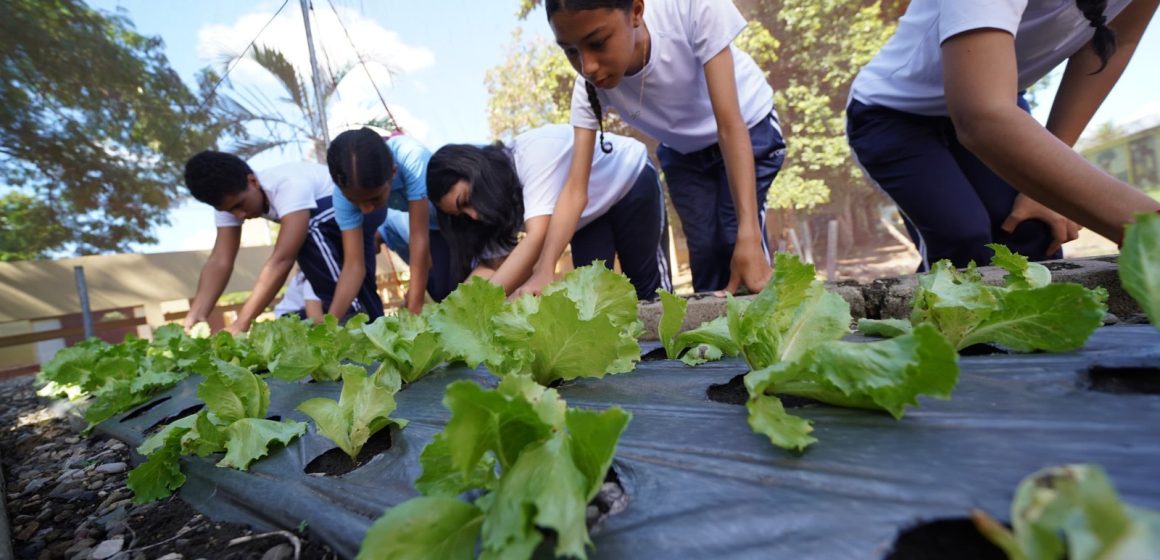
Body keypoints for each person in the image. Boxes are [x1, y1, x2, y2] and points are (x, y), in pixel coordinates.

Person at [847, 0, 1160, 270]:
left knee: (1033, 231)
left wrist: (1044, 190)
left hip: (1000, 101)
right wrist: (1149, 228)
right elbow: (981, 118)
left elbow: (1118, 41)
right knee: (962, 240)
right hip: (894, 113)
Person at [529, 0, 785, 296]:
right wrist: (544, 269)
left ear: (636, 12)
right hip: (683, 154)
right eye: (570, 51)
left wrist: (749, 236)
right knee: (704, 254)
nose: (588, 66)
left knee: (737, 242)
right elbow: (575, 189)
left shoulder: (689, 8)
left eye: (597, 43)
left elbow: (729, 124)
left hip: (747, 130)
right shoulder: (588, 92)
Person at [427, 124, 672, 300]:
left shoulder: (532, 154)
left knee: (647, 288)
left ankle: (668, 363)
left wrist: (482, 308)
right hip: (586, 214)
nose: (473, 216)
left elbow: (537, 237)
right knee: (594, 296)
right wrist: (455, 311)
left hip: (629, 179)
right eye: (461, 215)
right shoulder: (494, 205)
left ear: (475, 171)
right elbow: (491, 267)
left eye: (466, 201)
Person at [182, 151, 384, 334]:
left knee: (307, 233)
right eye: (230, 211)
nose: (239, 215)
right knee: (358, 277)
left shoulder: (286, 184)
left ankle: (352, 322)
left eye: (240, 205)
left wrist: (242, 322)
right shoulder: (230, 204)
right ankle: (376, 327)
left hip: (361, 206)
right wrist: (197, 313)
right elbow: (220, 260)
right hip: (334, 225)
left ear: (253, 181)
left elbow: (282, 259)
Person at [326, 127, 453, 315]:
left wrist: (413, 311)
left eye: (374, 199)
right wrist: (331, 323)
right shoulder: (343, 196)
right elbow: (354, 266)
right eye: (356, 202)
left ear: (393, 172)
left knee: (466, 281)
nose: (366, 210)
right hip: (436, 228)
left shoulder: (411, 157)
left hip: (461, 216)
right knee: (442, 288)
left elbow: (418, 238)